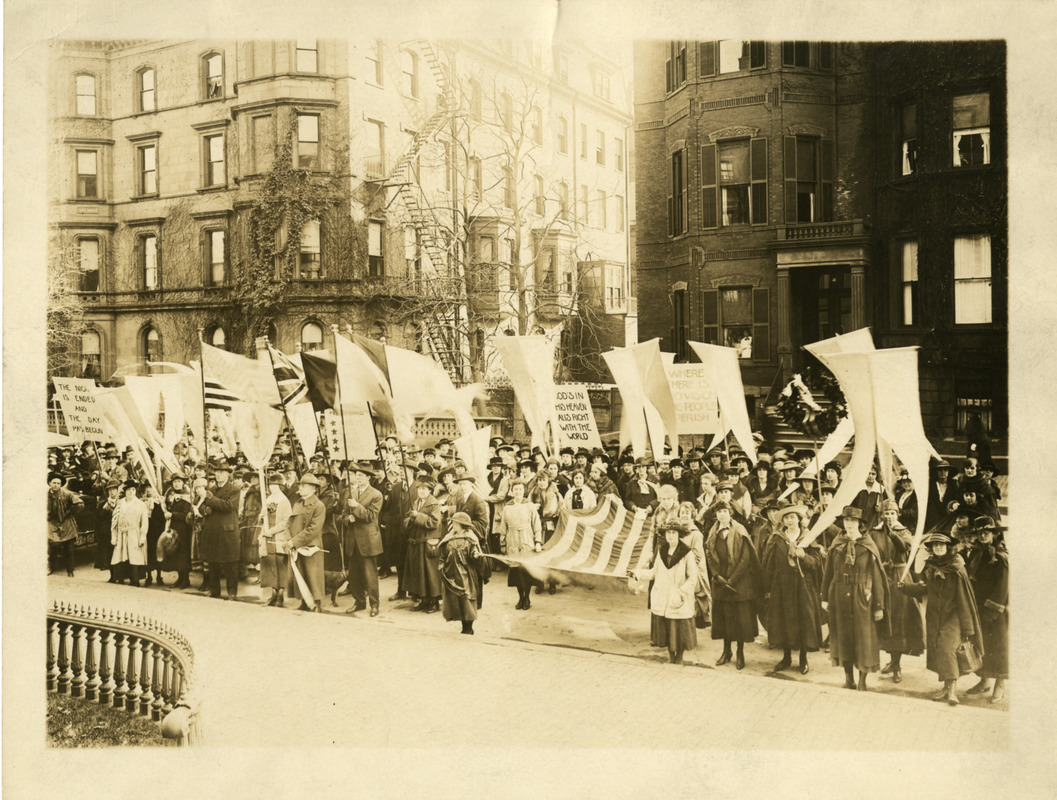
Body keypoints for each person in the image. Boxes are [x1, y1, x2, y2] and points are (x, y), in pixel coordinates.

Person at [898, 532, 985, 707]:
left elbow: (964, 599)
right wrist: (906, 588)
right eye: (935, 545)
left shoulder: (957, 567)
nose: (938, 547)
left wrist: (967, 629)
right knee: (941, 652)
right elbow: (926, 589)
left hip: (953, 618)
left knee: (949, 651)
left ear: (947, 547)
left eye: (941, 545)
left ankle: (952, 691)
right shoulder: (931, 566)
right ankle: (946, 688)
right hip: (935, 617)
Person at [821, 506, 888, 691]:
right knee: (844, 638)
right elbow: (827, 574)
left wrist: (878, 606)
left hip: (862, 597)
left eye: (853, 521)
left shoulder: (868, 545)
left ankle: (862, 681)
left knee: (863, 639)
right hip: (839, 595)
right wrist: (825, 597)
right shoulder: (837, 544)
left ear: (860, 524)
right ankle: (848, 678)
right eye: (846, 520)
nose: (849, 524)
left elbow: (877, 577)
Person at [761, 504, 824, 674]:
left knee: (803, 620)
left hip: (802, 585)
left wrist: (804, 556)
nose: (790, 521)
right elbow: (770, 564)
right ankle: (786, 657)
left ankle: (803, 659)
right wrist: (768, 587)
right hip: (781, 585)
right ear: (783, 521)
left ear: (799, 519)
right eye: (787, 518)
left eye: (793, 517)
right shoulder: (777, 538)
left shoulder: (808, 538)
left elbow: (816, 563)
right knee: (783, 620)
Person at [632, 522, 699, 664]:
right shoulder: (662, 550)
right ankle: (671, 657)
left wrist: (681, 593)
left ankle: (679, 658)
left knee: (678, 629)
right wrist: (638, 573)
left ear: (679, 535)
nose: (671, 535)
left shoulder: (687, 553)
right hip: (663, 594)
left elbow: (693, 577)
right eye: (668, 533)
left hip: (678, 597)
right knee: (667, 628)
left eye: (674, 532)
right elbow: (654, 573)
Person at [873, 501, 925, 683]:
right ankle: (892, 660)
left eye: (892, 513)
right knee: (885, 619)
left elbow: (904, 547)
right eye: (886, 513)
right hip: (882, 577)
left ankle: (897, 664)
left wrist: (893, 534)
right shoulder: (875, 532)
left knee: (900, 620)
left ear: (898, 515)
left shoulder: (904, 532)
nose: (889, 516)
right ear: (882, 515)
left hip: (899, 577)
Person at [705, 501, 761, 670]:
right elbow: (709, 554)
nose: (722, 515)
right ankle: (726, 650)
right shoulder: (713, 532)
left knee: (740, 620)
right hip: (721, 583)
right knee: (724, 618)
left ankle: (740, 653)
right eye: (719, 512)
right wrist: (717, 576)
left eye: (725, 511)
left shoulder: (739, 531)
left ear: (731, 513)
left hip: (739, 583)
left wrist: (732, 580)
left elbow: (745, 559)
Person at [965, 515, 1009, 703]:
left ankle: (1000, 684)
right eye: (979, 533)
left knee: (998, 646)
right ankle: (984, 680)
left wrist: (991, 611)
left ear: (993, 534)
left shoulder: (1000, 557)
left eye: (986, 533)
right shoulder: (976, 554)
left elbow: (1002, 587)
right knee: (982, 645)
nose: (983, 536)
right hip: (978, 607)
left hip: (995, 610)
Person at [341, 463, 385, 617]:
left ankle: (374, 604)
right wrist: (348, 519)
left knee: (370, 575)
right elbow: (343, 515)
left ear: (368, 478)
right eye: (356, 475)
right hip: (353, 541)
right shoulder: (350, 493)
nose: (357, 478)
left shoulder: (376, 494)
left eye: (361, 476)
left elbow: (371, 516)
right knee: (354, 575)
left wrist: (357, 506)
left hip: (368, 541)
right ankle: (359, 602)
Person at [198, 460, 242, 600]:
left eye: (221, 472)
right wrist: (205, 509)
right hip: (212, 531)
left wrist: (211, 500)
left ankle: (232, 593)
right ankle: (214, 591)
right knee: (212, 563)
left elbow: (229, 506)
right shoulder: (211, 489)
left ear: (228, 474)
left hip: (227, 532)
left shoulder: (234, 489)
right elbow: (200, 506)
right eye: (216, 472)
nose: (218, 475)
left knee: (230, 565)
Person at [438, 511, 488, 634]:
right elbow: (443, 555)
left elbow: (475, 557)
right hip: (452, 575)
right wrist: (441, 565)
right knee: (456, 601)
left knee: (467, 600)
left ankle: (469, 627)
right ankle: (463, 626)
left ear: (462, 525)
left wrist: (476, 555)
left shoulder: (471, 539)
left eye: (455, 522)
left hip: (467, 575)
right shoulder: (448, 538)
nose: (453, 524)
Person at [498, 478, 543, 610]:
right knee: (516, 572)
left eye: (520, 489)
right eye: (516, 489)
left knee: (525, 572)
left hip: (526, 539)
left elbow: (536, 524)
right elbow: (503, 526)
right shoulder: (507, 507)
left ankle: (527, 598)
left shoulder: (529, 506)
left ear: (524, 491)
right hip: (512, 540)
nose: (518, 491)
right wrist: (502, 543)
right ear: (512, 491)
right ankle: (520, 597)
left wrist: (538, 541)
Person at [285, 472, 327, 613]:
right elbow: (289, 523)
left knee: (313, 576)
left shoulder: (318, 505)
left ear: (313, 489)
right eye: (300, 485)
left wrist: (294, 541)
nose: (300, 488)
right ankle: (304, 601)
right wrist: (288, 539)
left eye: (304, 486)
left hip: (310, 546)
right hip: (297, 545)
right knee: (300, 574)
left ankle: (317, 603)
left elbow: (313, 529)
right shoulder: (298, 503)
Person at [404, 475, 443, 613]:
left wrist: (417, 516)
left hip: (427, 543)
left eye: (424, 489)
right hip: (416, 542)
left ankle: (433, 602)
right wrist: (409, 520)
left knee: (430, 574)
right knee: (419, 574)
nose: (421, 491)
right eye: (419, 489)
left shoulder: (434, 504)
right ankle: (423, 600)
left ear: (430, 490)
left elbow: (434, 522)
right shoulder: (416, 502)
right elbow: (408, 519)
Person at [259, 471, 292, 607]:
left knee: (280, 565)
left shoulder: (285, 502)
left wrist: (271, 531)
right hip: (267, 537)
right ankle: (273, 593)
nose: (272, 487)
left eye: (275, 484)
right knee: (270, 565)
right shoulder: (267, 500)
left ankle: (281, 595)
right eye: (270, 484)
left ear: (280, 486)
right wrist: (262, 517)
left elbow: (286, 522)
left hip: (278, 537)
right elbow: (261, 516)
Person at [111, 481, 149, 586]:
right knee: (122, 554)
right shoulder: (120, 503)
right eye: (128, 490)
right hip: (121, 533)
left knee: (134, 555)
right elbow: (114, 520)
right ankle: (122, 577)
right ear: (125, 492)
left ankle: (135, 580)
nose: (131, 492)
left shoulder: (141, 504)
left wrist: (142, 537)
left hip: (134, 533)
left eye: (133, 490)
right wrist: (114, 536)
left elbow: (144, 522)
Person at [47, 472, 83, 576]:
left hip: (66, 524)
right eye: (54, 482)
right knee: (52, 546)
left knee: (69, 548)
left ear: (61, 485)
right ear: (49, 483)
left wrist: (69, 512)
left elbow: (80, 504)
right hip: (52, 523)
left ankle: (70, 570)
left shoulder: (67, 494)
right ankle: (51, 568)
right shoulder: (45, 496)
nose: (56, 485)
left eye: (58, 483)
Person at [162, 474, 194, 589]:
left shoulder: (186, 497)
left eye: (179, 481)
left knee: (183, 554)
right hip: (173, 527)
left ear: (183, 483)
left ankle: (185, 579)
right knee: (175, 553)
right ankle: (180, 578)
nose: (176, 484)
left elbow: (186, 514)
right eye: (175, 482)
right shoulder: (171, 496)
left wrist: (172, 514)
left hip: (183, 529)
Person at [95, 480, 121, 581]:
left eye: (114, 489)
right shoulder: (103, 503)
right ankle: (112, 575)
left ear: (118, 490)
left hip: (120, 531)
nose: (112, 492)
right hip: (107, 532)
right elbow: (98, 518)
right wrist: (104, 510)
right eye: (110, 490)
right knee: (109, 553)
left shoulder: (122, 501)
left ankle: (121, 576)